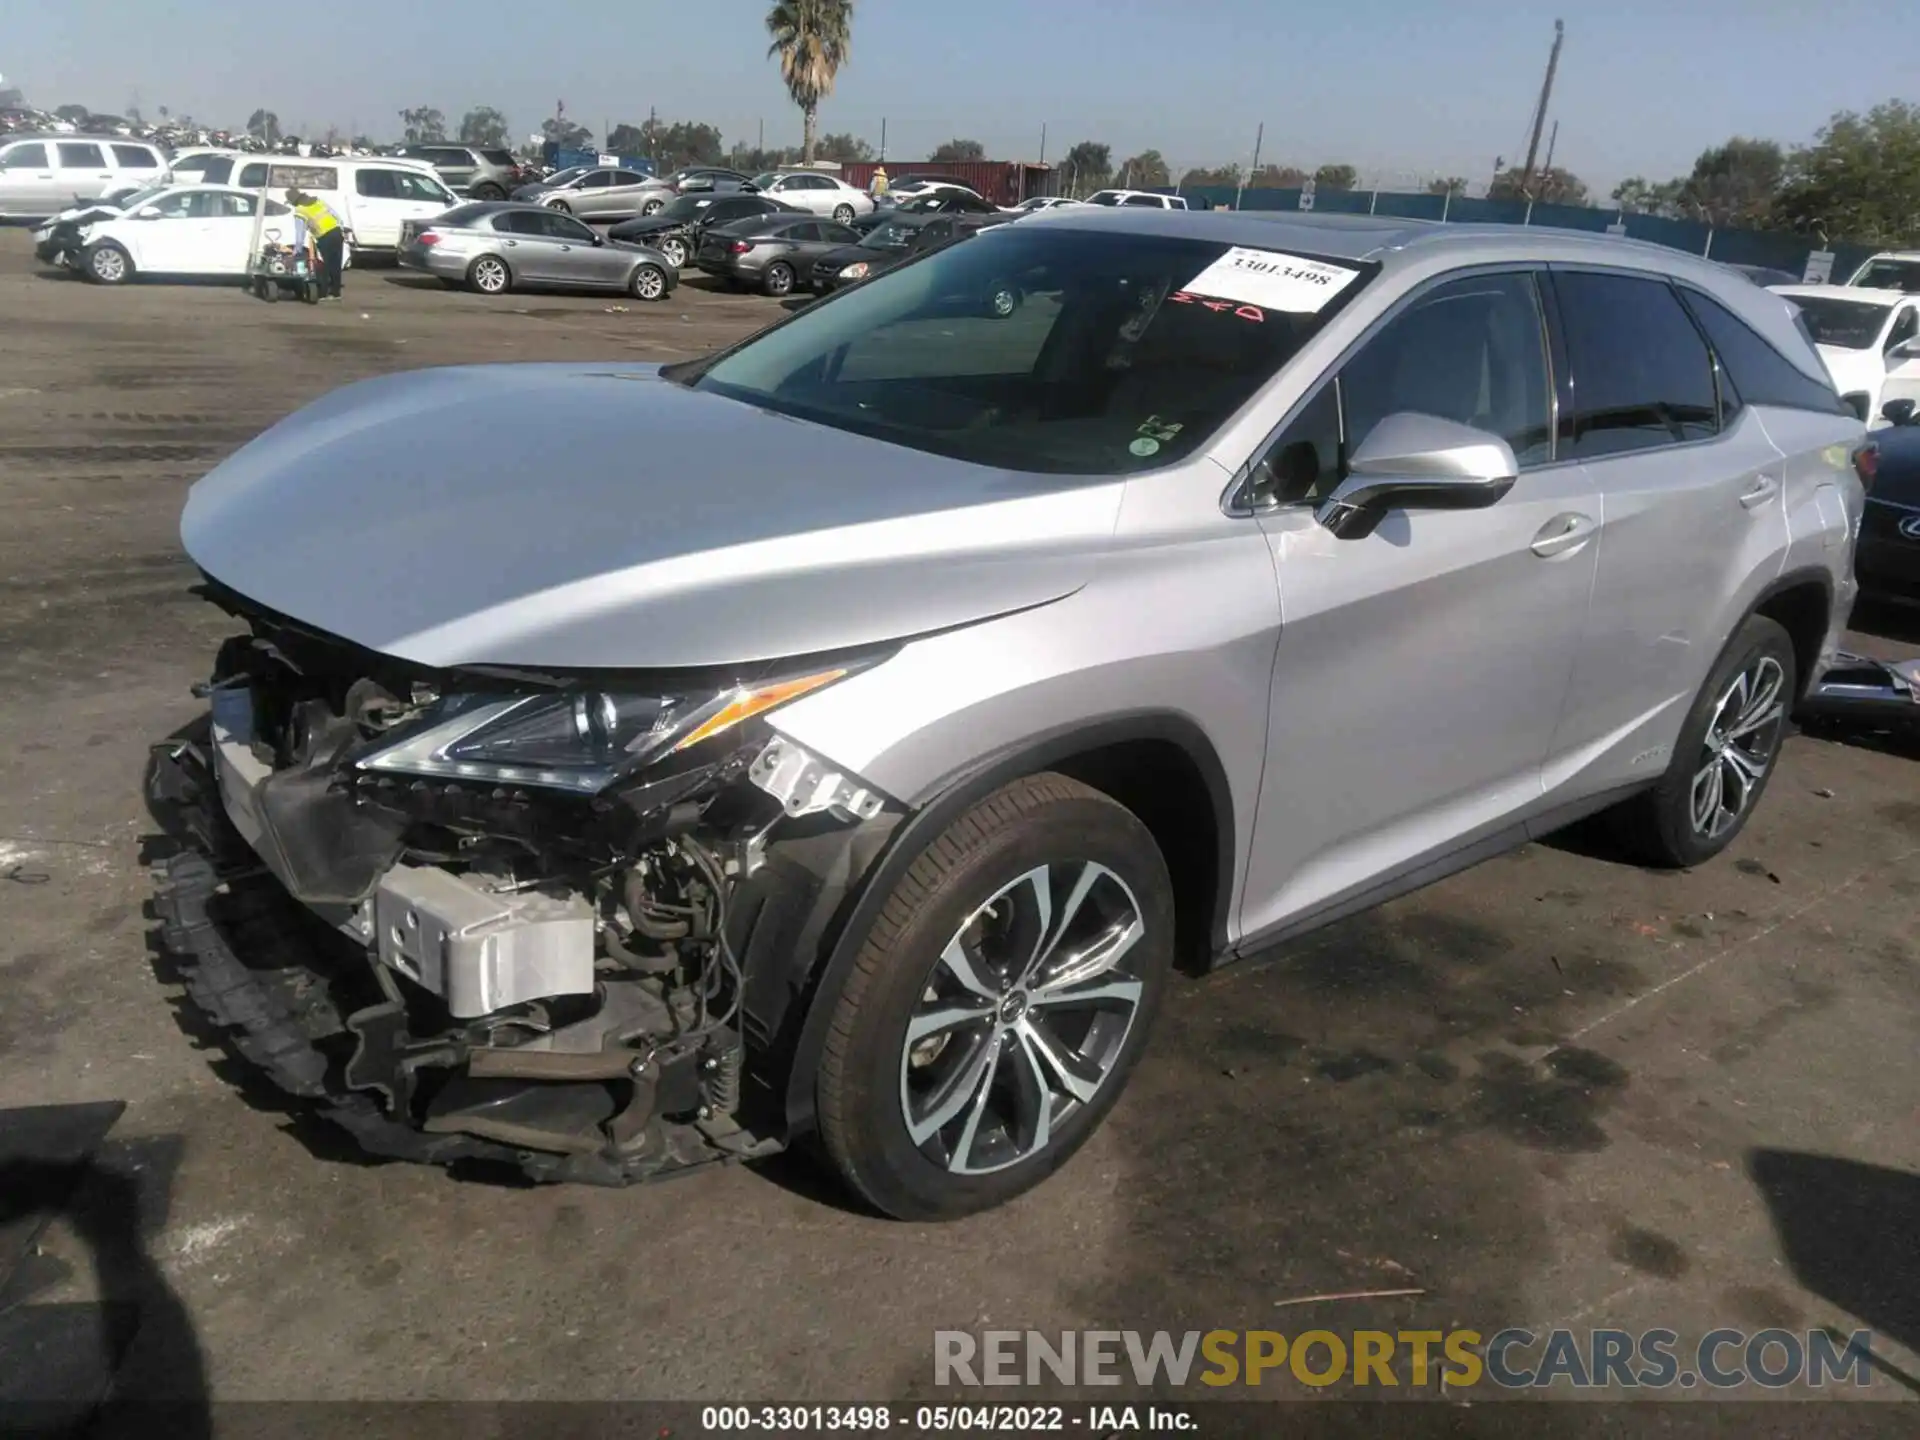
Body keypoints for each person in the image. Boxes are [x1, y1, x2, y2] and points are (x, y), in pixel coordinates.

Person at [286, 188, 346, 299]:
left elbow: (300, 235)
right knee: (336, 264)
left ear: (294, 202)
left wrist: (297, 251)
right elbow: (335, 215)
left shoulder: (300, 211)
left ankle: (323, 293)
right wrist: (341, 229)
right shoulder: (318, 201)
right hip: (336, 232)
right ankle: (335, 292)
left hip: (324, 237)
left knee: (324, 266)